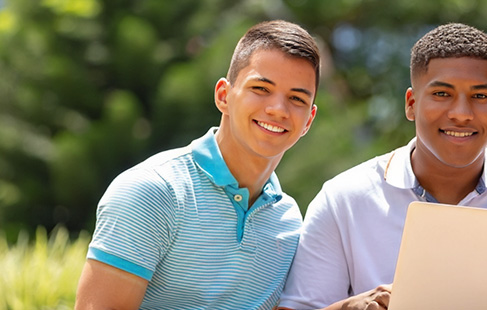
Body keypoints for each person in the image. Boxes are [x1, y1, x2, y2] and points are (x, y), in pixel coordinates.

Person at [277, 23, 487, 310]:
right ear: (411, 104)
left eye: (479, 96)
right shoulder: (343, 201)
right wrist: (351, 307)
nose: (461, 113)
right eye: (442, 93)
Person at [75, 20, 320, 309]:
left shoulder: (290, 222)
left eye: (296, 98)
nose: (278, 109)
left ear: (308, 120)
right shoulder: (152, 192)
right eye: (261, 88)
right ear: (223, 96)